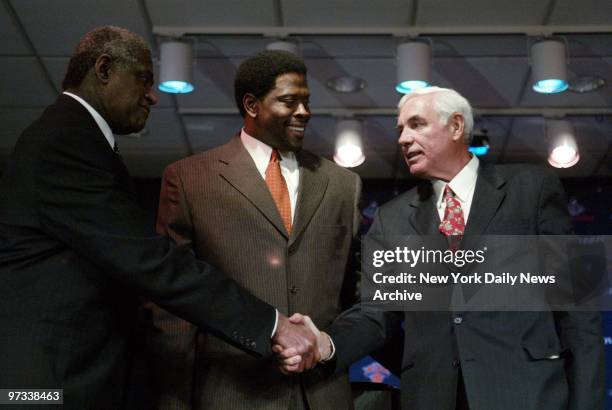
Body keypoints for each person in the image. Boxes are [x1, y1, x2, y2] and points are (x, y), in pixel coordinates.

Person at [0, 26, 318, 410]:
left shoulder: (76, 138)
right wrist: (272, 324)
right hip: (48, 387)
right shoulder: (65, 140)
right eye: (144, 79)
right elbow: (150, 261)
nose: (152, 95)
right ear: (103, 69)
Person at [280, 87, 605, 410]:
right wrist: (326, 344)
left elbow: (576, 308)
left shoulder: (530, 189)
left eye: (416, 124)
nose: (403, 139)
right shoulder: (391, 218)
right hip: (432, 396)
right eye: (400, 130)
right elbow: (375, 313)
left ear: (456, 126)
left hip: (526, 392)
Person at [147, 50, 361, 410]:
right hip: (231, 392)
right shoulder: (190, 179)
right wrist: (173, 401)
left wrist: (327, 346)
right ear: (252, 104)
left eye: (307, 101)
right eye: (290, 101)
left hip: (323, 394)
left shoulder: (343, 184)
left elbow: (357, 297)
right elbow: (171, 305)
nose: (304, 112)